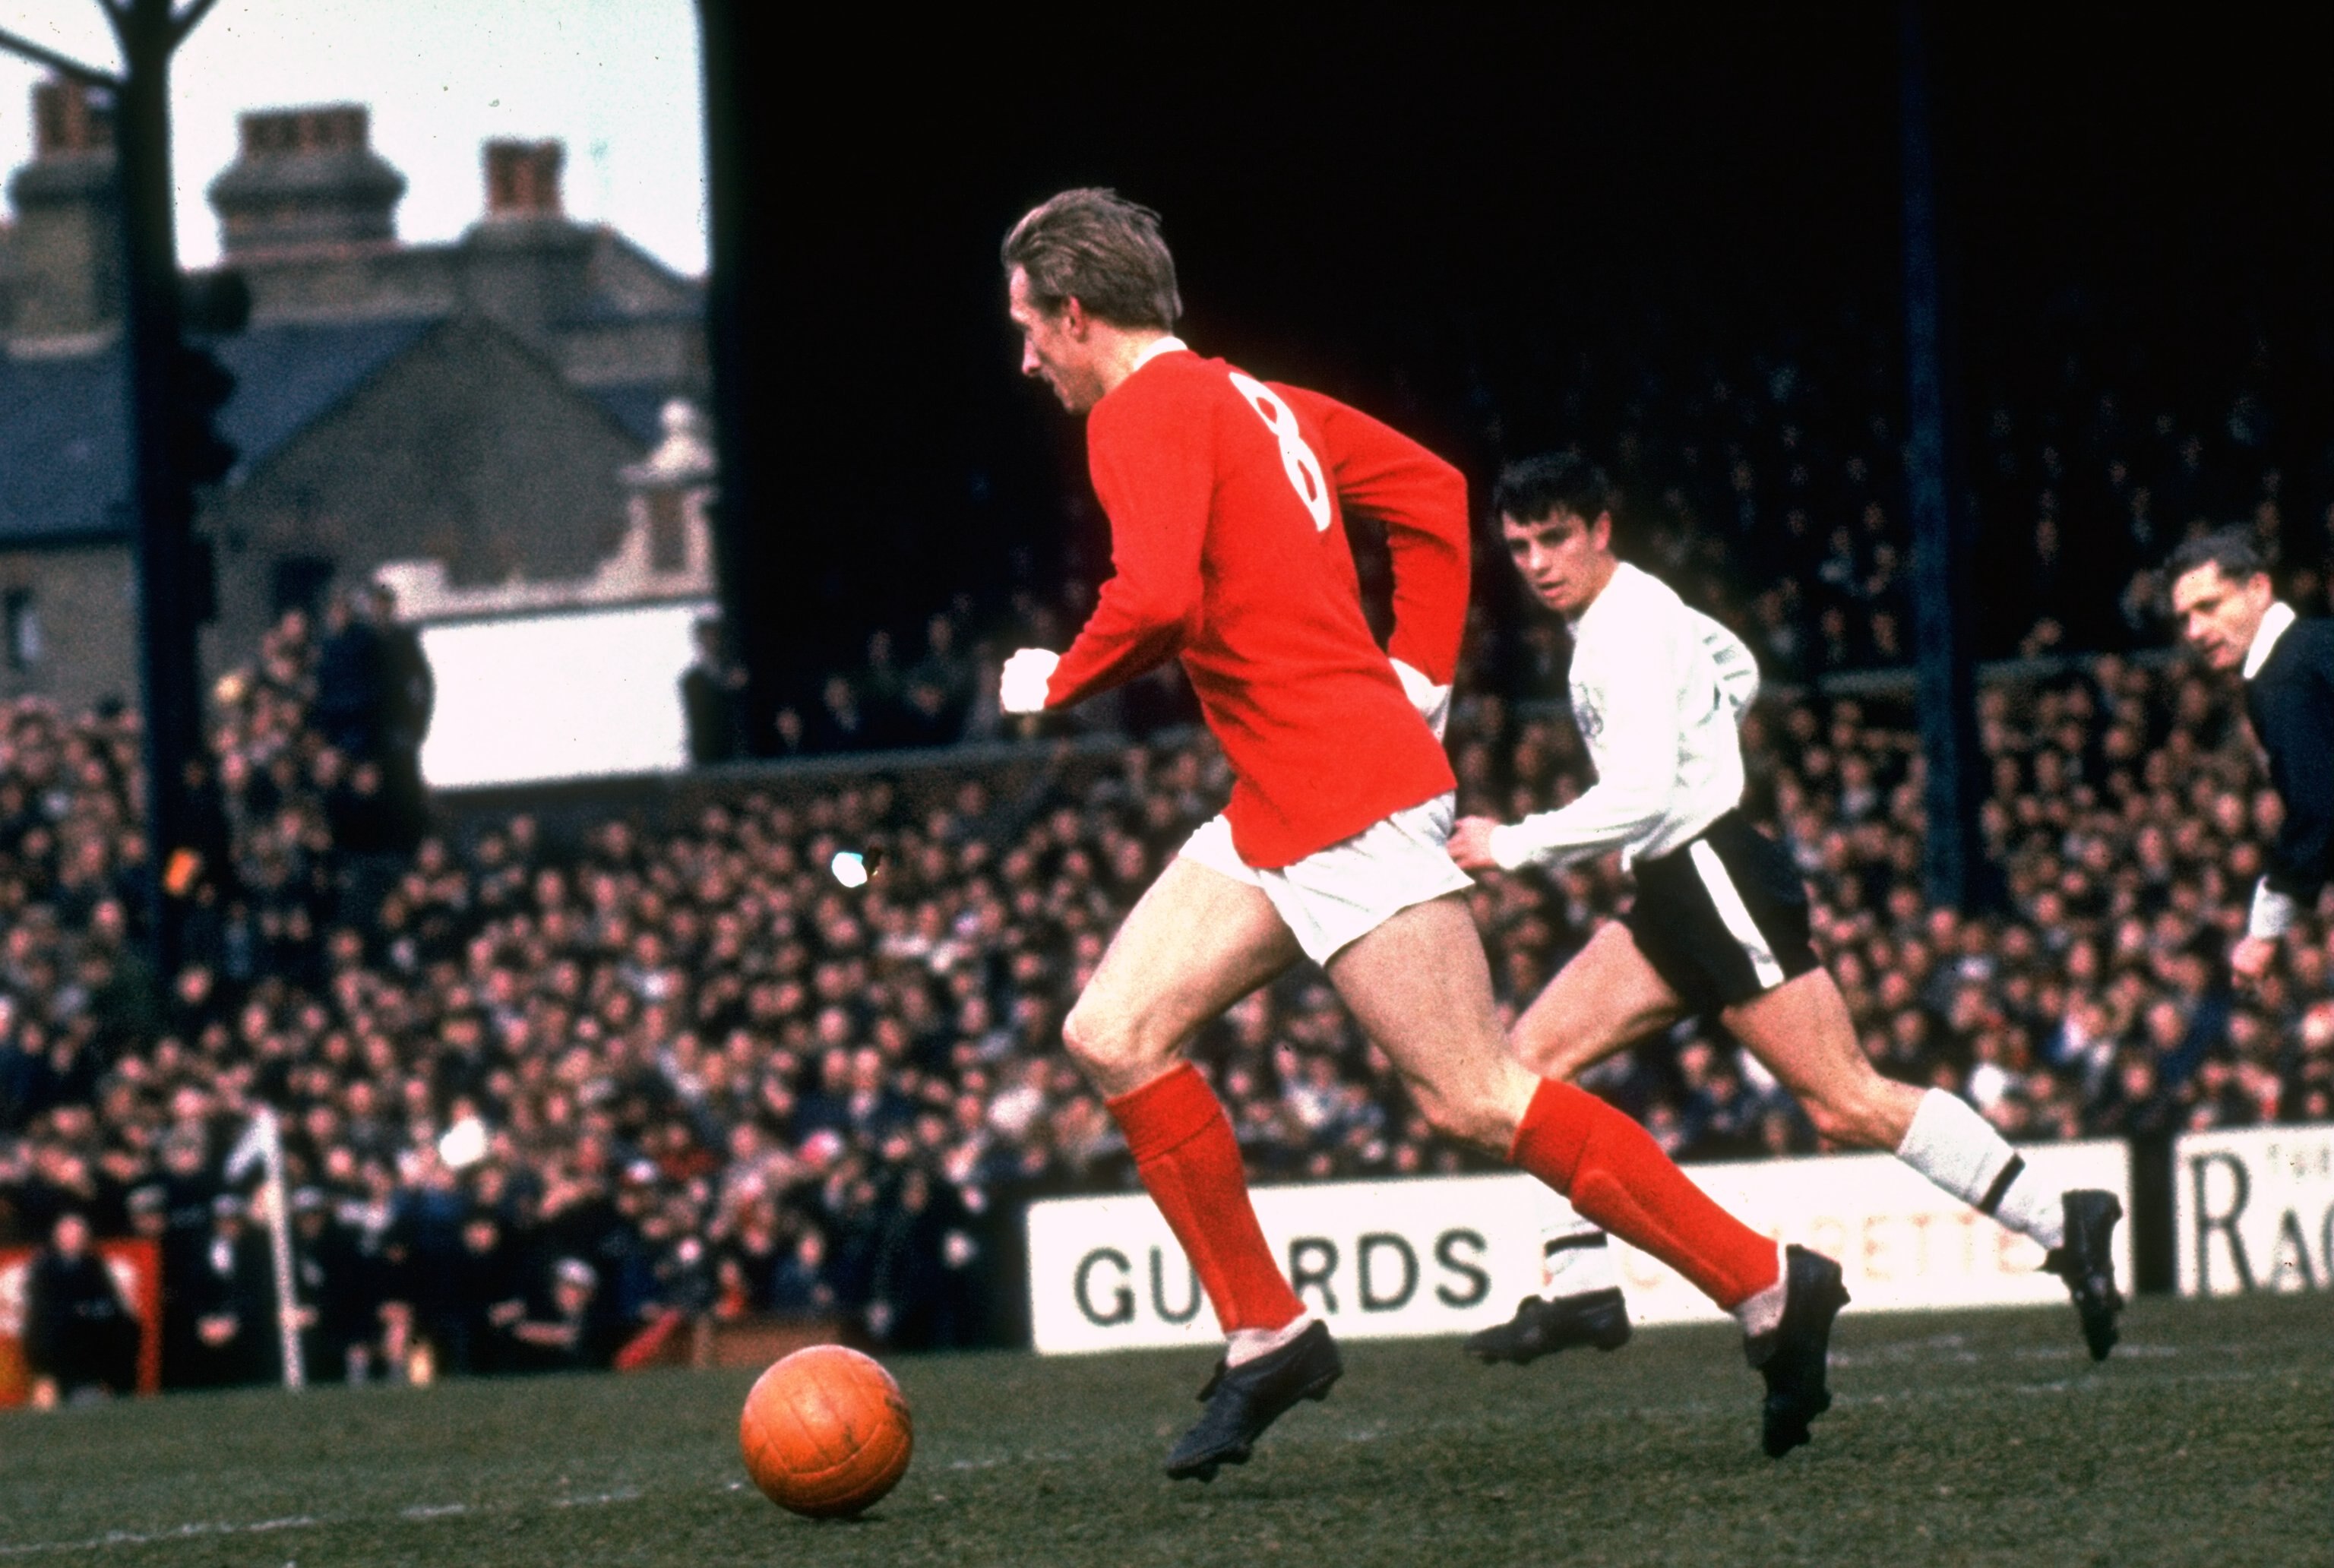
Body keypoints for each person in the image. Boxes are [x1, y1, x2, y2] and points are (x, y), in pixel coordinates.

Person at [997, 189, 1848, 1479]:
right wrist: (1421, 670)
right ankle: (1265, 1330)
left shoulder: (1142, 410)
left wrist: (1053, 677)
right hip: (1289, 797)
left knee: (1477, 1093)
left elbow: (1157, 594)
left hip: (1343, 800)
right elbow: (1433, 493)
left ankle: (1767, 1282)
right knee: (1111, 1030)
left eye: (1027, 329)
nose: (1025, 359)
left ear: (1075, 311)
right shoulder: (1254, 396)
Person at [1444, 454, 2125, 1364]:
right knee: (1525, 1064)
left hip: (1710, 872)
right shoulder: (1636, 610)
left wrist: (1514, 843)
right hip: (1675, 886)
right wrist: (1708, 725)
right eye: (1521, 545)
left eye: (1556, 537)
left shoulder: (1626, 628)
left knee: (1844, 1099)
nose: (1536, 562)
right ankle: (1581, 1288)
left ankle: (2060, 1218)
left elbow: (1645, 795)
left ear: (1602, 529)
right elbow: (1738, 666)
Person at [2166, 528, 2334, 987]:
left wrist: (2262, 935)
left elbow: (2318, 809)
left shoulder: (2283, 679)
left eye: (2209, 606)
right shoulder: (2318, 642)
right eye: (2185, 619)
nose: (2195, 632)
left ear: (2259, 589)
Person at [23, 1212, 141, 1406]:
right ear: (56, 1237)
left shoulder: (94, 1266)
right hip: (53, 1352)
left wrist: (90, 1313)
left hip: (87, 1358)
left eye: (77, 1235)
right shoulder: (43, 1269)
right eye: (67, 1235)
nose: (72, 1240)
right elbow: (41, 1317)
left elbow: (110, 1305)